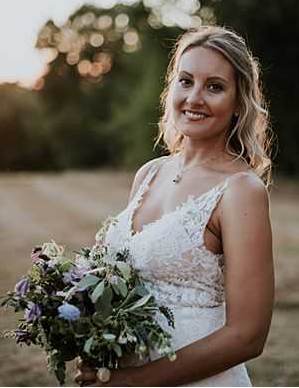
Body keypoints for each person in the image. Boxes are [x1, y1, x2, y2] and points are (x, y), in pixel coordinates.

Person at [75, 25, 275, 387]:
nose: (195, 98)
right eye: (186, 81)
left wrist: (134, 381)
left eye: (214, 87)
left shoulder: (241, 190)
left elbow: (248, 336)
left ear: (237, 102)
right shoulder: (150, 173)